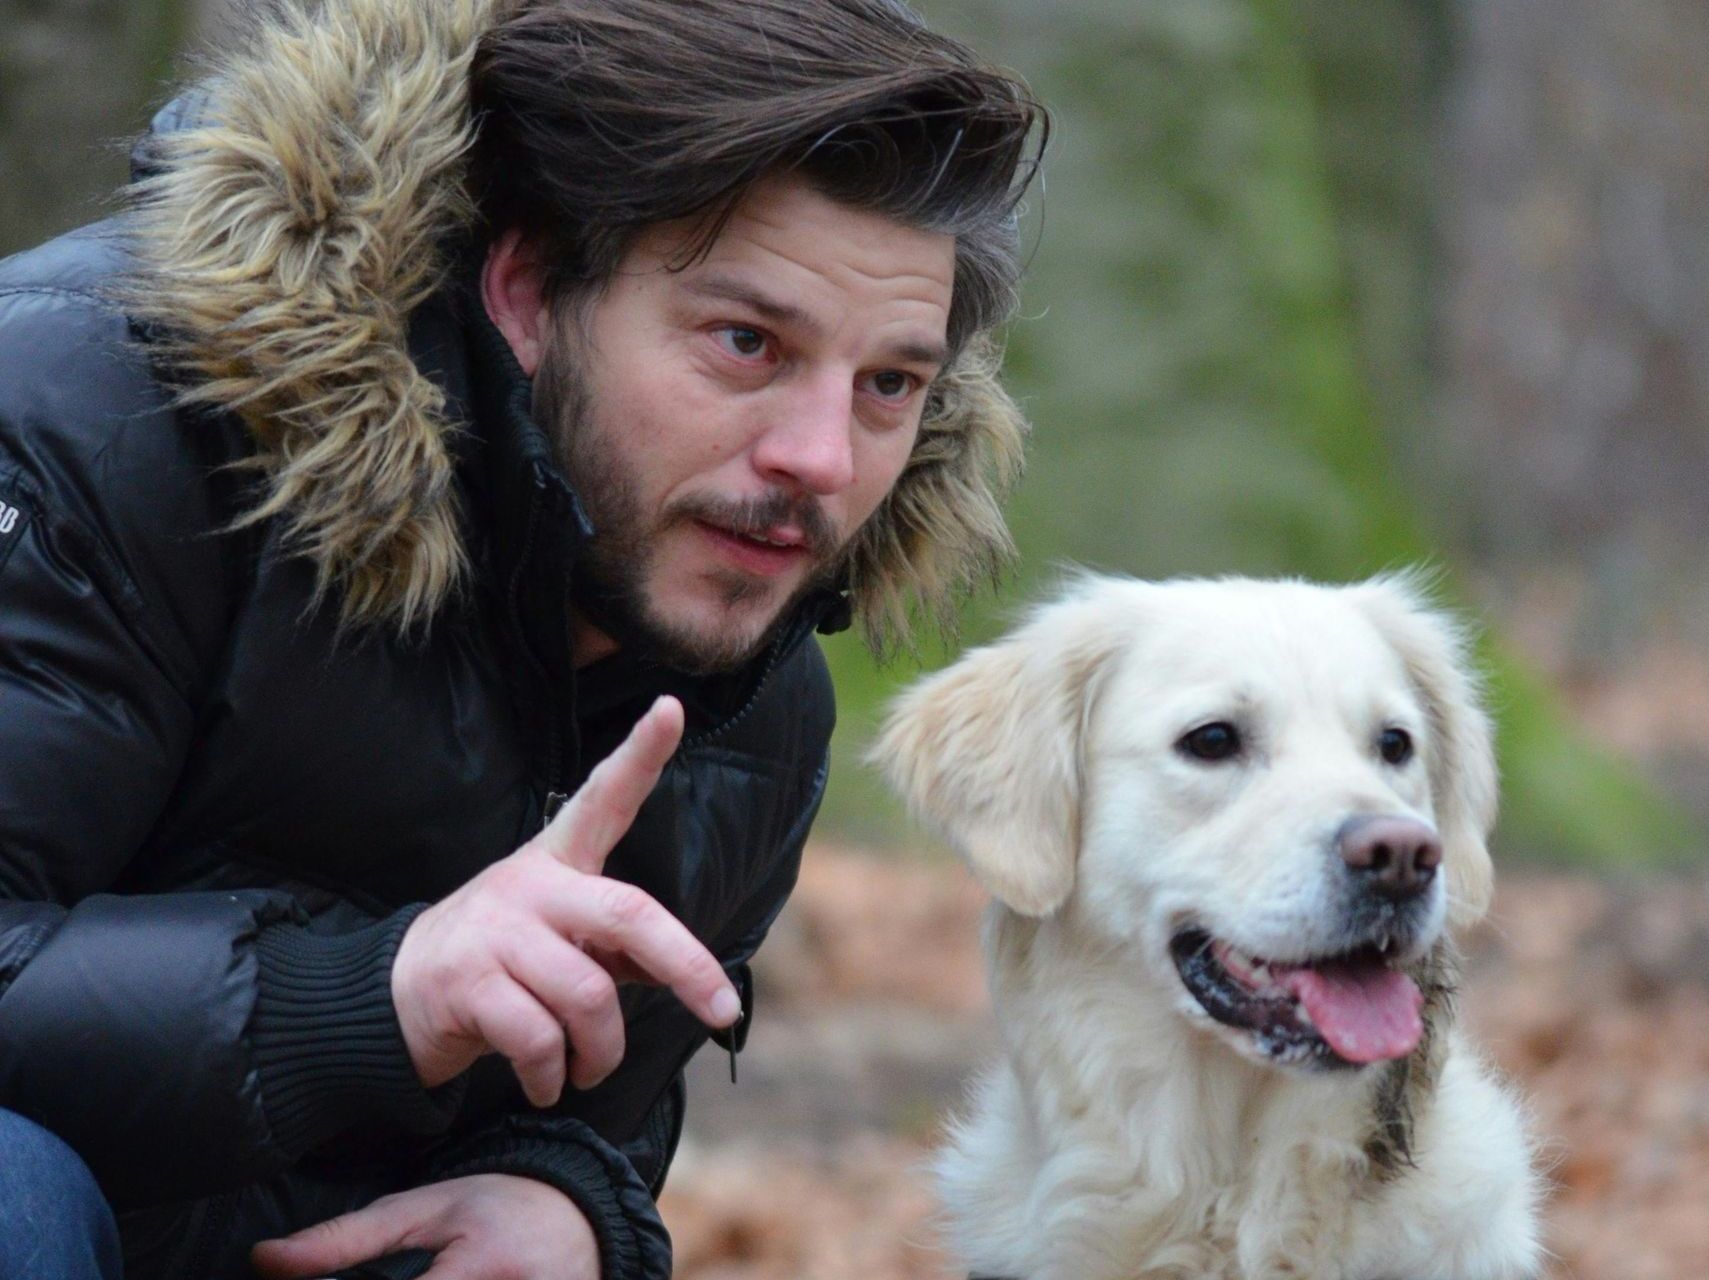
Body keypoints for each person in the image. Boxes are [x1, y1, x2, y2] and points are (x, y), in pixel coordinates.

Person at [0, 1, 1044, 1277]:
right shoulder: (82, 420)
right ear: (530, 287)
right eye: (745, 342)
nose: (821, 460)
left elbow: (590, 1113)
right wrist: (376, 996)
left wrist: (565, 1202)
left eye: (890, 383)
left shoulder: (747, 691)